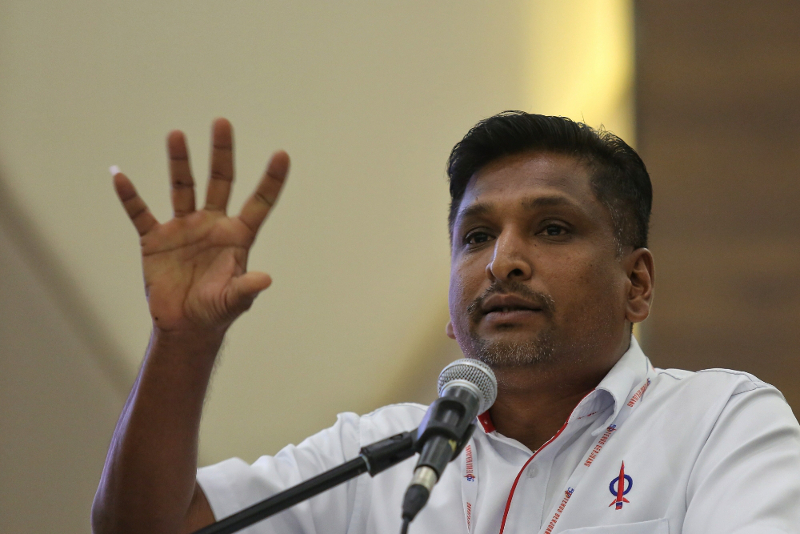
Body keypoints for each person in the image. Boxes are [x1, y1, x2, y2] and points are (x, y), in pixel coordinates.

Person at [92, 113, 800, 534]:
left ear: (637, 284)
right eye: (475, 238)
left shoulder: (721, 422)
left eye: (552, 229)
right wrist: (183, 342)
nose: (503, 263)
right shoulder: (373, 456)